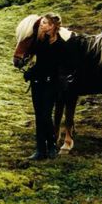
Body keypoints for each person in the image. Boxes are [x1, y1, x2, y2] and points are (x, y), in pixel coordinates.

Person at [24, 13, 65, 160]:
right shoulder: (39, 41)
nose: (41, 25)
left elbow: (50, 65)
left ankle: (52, 146)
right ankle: (41, 149)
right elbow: (38, 62)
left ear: (52, 26)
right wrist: (31, 73)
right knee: (39, 116)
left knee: (46, 116)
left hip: (50, 84)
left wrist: (31, 73)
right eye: (41, 22)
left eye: (45, 23)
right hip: (38, 84)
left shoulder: (59, 44)